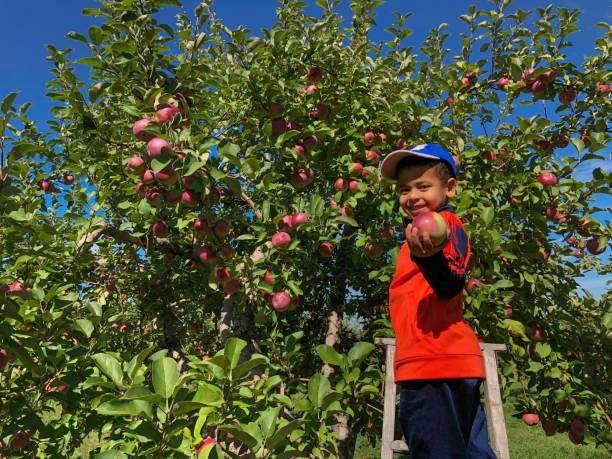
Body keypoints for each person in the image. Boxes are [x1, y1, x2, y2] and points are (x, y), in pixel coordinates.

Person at [378, 144, 496, 458]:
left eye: (423, 186)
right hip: (449, 363)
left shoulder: (444, 230)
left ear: (450, 188)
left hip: (432, 364)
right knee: (472, 452)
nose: (412, 196)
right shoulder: (419, 237)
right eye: (404, 189)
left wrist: (428, 258)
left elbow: (450, 283)